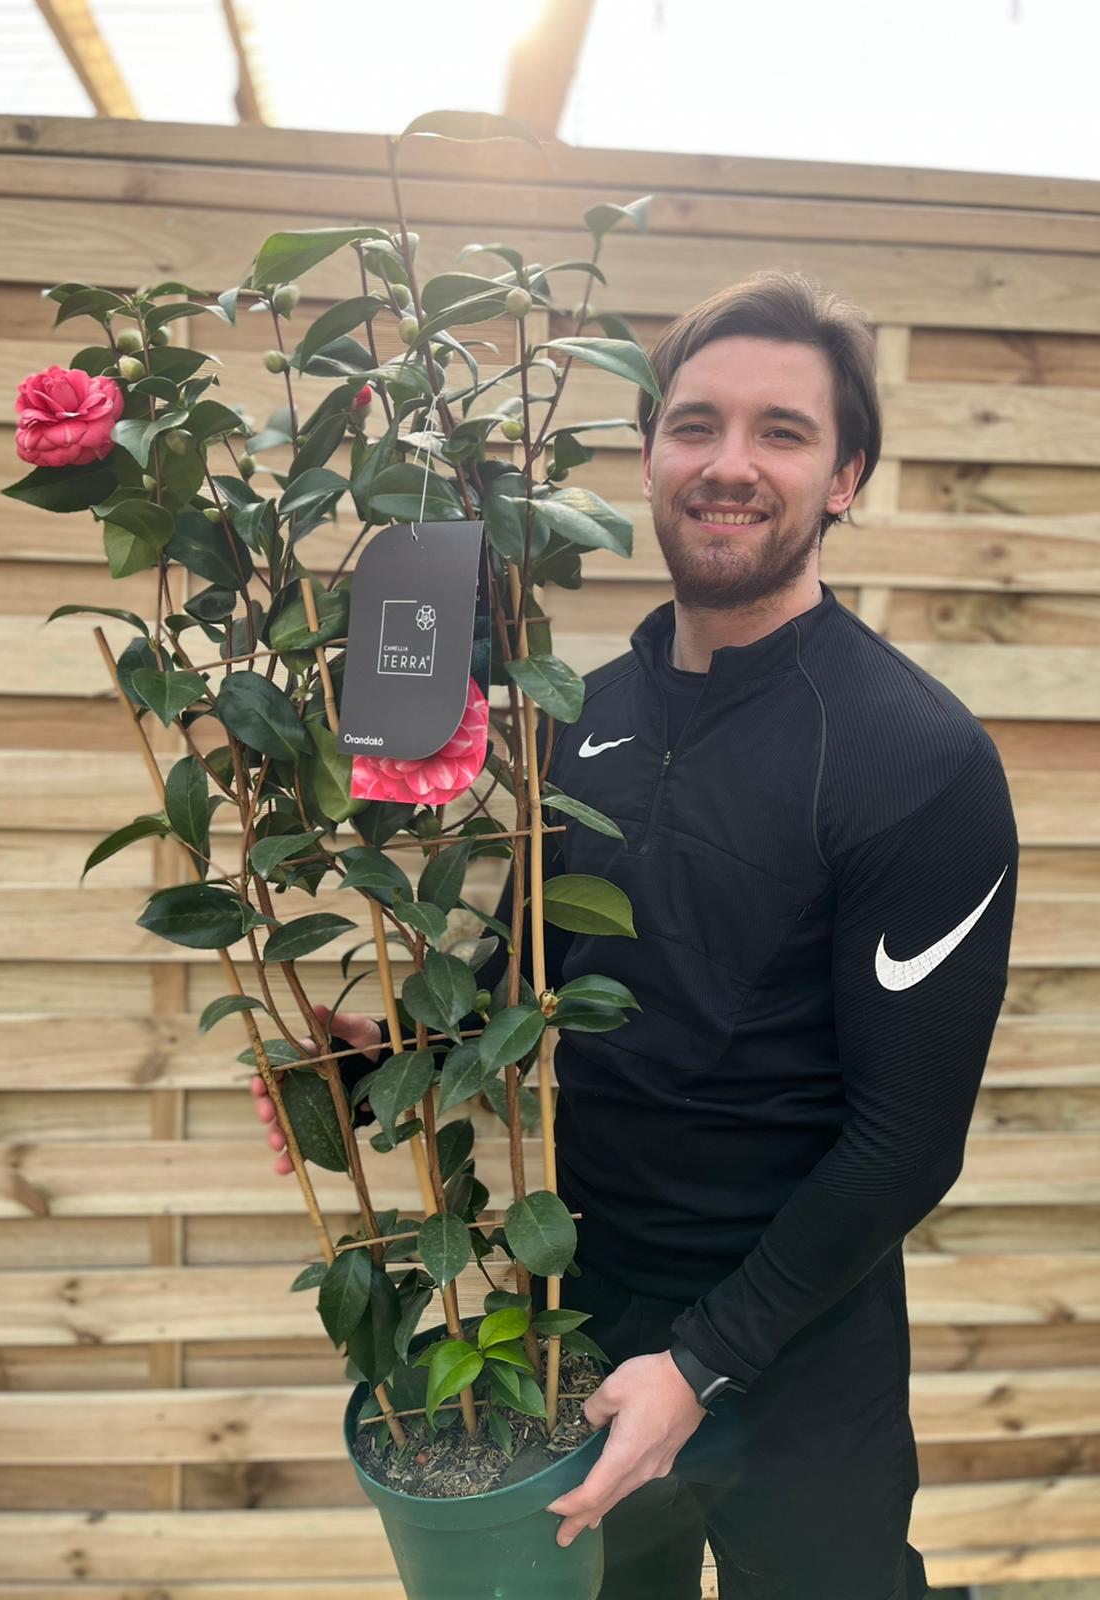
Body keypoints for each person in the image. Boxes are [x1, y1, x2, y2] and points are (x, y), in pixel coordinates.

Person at [250, 270, 1018, 1600]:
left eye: (783, 431)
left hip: (801, 1355)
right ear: (649, 456)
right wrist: (387, 1061)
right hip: (580, 1329)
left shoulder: (919, 758)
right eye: (694, 425)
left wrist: (705, 1363)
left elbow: (908, 1141)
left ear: (845, 478)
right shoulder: (575, 718)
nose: (729, 464)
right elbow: (522, 984)